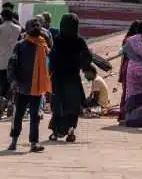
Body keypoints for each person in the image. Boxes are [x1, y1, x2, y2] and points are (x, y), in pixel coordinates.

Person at [48, 12, 95, 142]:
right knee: (73, 105)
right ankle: (70, 131)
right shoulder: (79, 41)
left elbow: (52, 58)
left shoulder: (57, 40)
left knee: (58, 105)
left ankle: (55, 132)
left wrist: (50, 73)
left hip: (58, 78)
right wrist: (82, 65)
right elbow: (87, 57)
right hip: (73, 78)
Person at [7, 18, 51, 153]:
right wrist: (13, 80)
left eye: (37, 25)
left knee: (35, 116)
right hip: (22, 86)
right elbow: (12, 64)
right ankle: (14, 141)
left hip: (37, 88)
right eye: (33, 26)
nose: (36, 27)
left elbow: (50, 62)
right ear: (27, 29)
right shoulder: (20, 45)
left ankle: (33, 143)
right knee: (18, 115)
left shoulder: (43, 45)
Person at [120, 20, 142, 127]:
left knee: (129, 93)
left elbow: (123, 53)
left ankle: (127, 118)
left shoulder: (129, 40)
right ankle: (140, 119)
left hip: (130, 69)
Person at [0, 7, 21, 119]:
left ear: (2, 17)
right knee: (10, 86)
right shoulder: (18, 29)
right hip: (13, 62)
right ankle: (9, 101)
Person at [118, 21, 139, 122]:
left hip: (125, 68)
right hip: (131, 68)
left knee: (126, 92)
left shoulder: (126, 39)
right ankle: (127, 116)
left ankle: (123, 116)